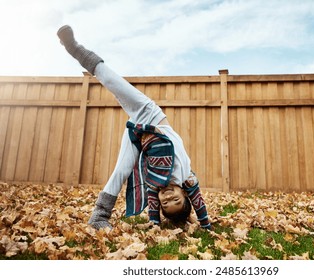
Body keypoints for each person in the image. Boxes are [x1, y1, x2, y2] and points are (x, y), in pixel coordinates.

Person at [57, 25, 211, 230]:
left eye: (166, 203)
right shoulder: (188, 179)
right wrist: (206, 225)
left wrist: (154, 224)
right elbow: (200, 204)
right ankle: (74, 48)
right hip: (151, 116)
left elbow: (154, 212)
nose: (169, 198)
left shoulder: (155, 187)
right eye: (177, 200)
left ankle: (99, 216)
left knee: (121, 170)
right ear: (184, 194)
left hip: (138, 137)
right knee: (112, 81)